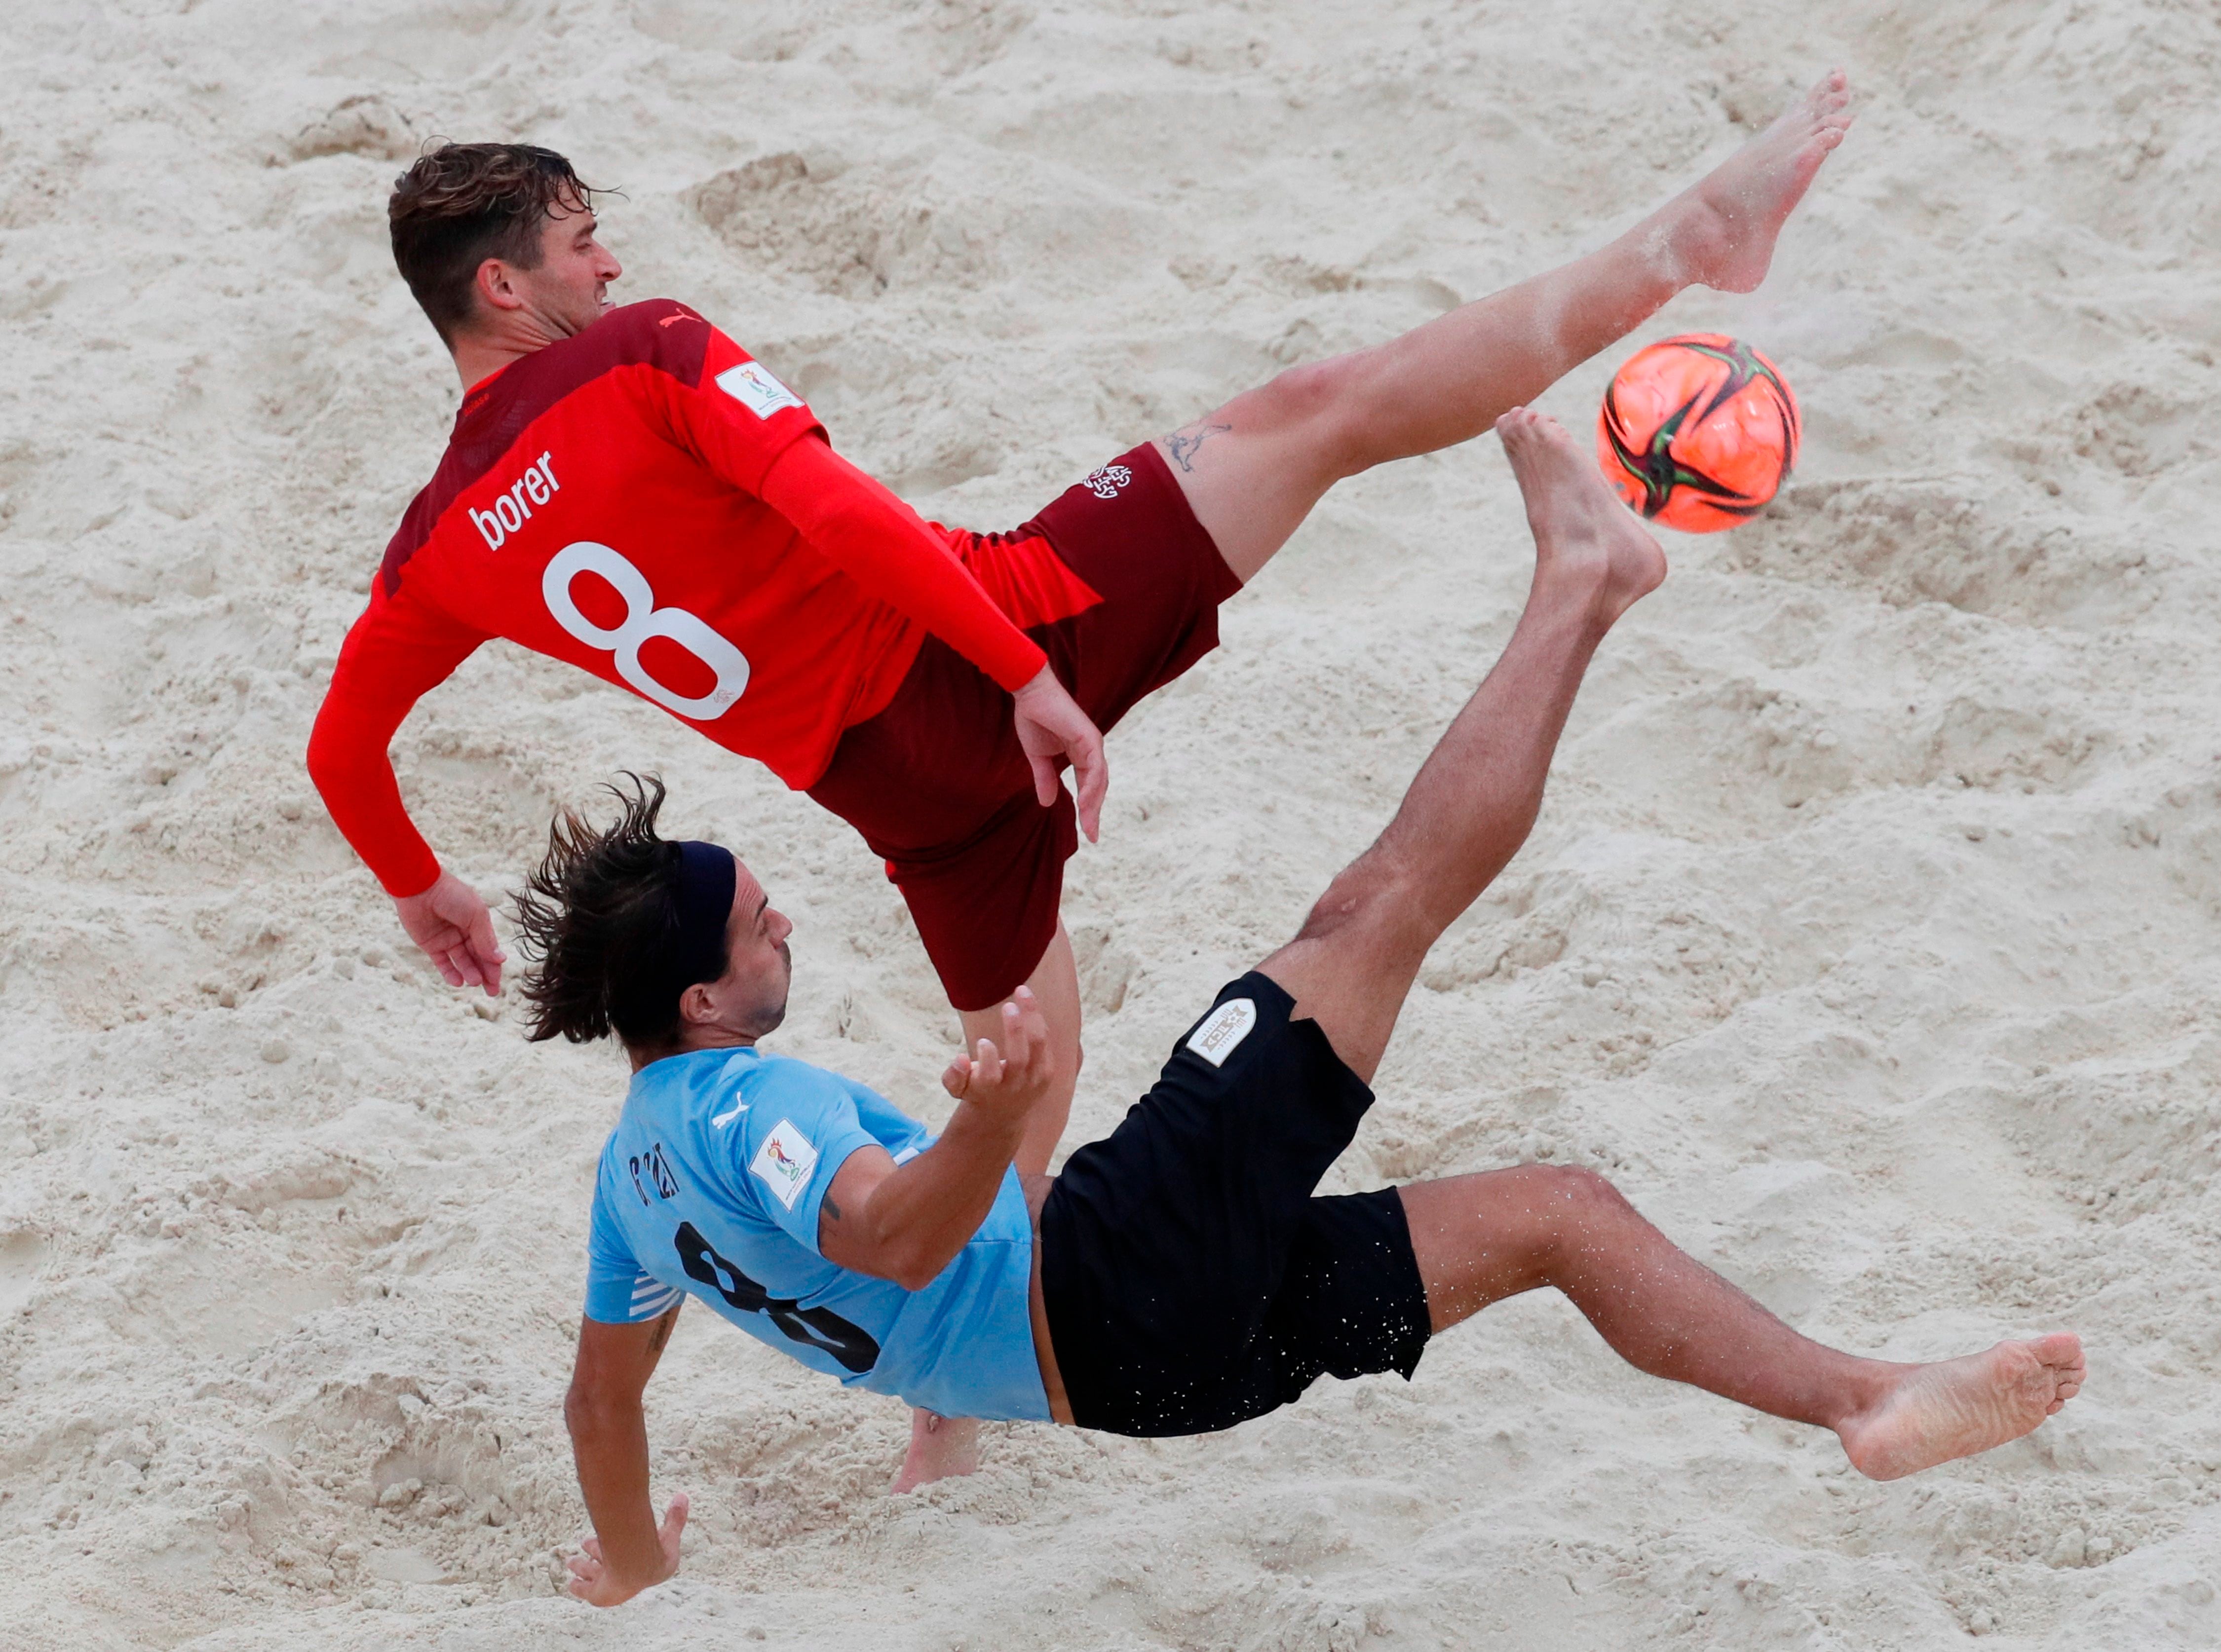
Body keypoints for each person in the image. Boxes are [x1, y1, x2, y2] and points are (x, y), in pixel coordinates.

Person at [531, 413, 2085, 1609]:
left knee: (1559, 1212)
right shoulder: (746, 1106)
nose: (780, 913)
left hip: (1151, 1385)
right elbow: (887, 1236)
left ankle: (1863, 1400)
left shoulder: (629, 1182)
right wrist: (993, 1116)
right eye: (754, 921)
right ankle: (1587, 580)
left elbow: (606, 1407)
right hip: (1112, 1277)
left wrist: (639, 1573)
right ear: (698, 998)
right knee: (1375, 909)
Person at [305, 76, 1857, 1229]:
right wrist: (1026, 668)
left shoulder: (436, 545)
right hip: (980, 647)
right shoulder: (643, 359)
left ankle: (948, 1414)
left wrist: (417, 882)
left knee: (1020, 1058)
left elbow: (340, 750)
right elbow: (839, 514)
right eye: (581, 247)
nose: (607, 271)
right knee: (1313, 412)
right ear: (501, 287)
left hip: (900, 799)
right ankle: (1684, 243)